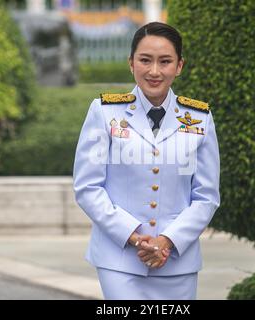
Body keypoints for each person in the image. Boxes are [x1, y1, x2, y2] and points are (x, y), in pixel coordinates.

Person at [73, 22, 220, 300]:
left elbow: (206, 196)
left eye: (165, 61)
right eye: (145, 60)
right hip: (119, 258)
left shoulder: (200, 119)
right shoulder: (104, 112)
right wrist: (135, 237)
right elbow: (88, 188)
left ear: (179, 66)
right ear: (131, 63)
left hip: (177, 259)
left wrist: (167, 240)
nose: (154, 71)